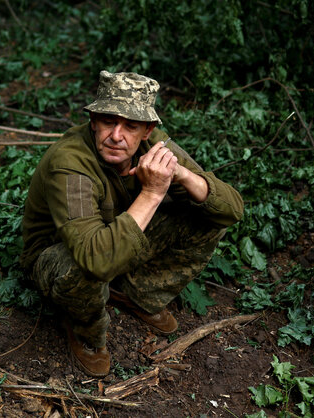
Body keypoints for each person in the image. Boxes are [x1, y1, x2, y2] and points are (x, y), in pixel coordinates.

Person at [20, 70, 244, 377]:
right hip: (56, 258)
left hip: (115, 238)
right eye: (109, 121)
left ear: (147, 130)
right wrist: (153, 192)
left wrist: (182, 175)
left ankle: (134, 293)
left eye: (130, 126)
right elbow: (95, 259)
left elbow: (231, 211)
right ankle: (85, 332)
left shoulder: (153, 145)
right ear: (94, 120)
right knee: (85, 266)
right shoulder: (70, 162)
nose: (116, 135)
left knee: (205, 211)